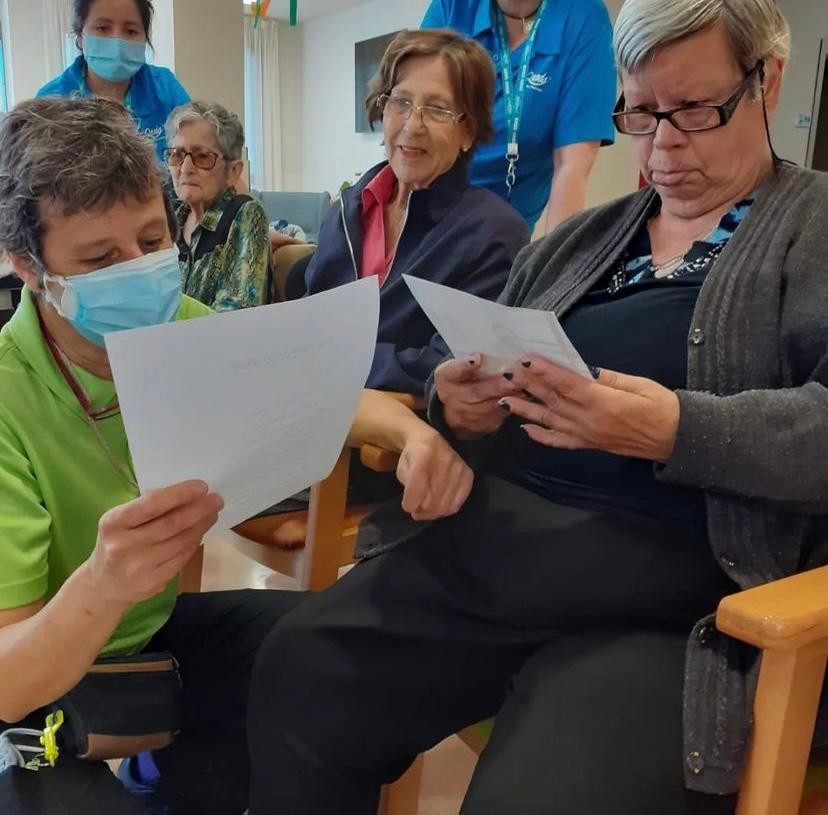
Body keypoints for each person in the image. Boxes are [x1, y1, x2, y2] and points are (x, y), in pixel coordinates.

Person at [245, 1, 828, 814]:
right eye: (639, 113)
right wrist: (463, 411)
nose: (662, 146)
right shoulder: (574, 242)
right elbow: (477, 385)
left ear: (767, 81)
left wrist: (676, 429)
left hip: (673, 603)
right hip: (497, 551)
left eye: (695, 110)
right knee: (300, 668)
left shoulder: (813, 230)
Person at [0, 97, 301, 814]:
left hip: (146, 635)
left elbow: (317, 387)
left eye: (151, 239)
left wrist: (413, 434)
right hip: (35, 674)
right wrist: (105, 581)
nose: (140, 272)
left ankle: (178, 779)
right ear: (28, 268)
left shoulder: (180, 328)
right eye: (100, 259)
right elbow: (11, 680)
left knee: (315, 645)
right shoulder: (9, 391)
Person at [303, 28, 529, 395]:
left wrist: (331, 361)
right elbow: (309, 321)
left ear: (468, 131)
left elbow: (450, 366)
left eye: (437, 109)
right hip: (308, 404)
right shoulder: (347, 208)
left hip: (398, 424)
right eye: (401, 102)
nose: (413, 125)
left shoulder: (493, 233)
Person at [422, 0, 617, 235]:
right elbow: (414, 118)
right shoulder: (452, 6)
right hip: (428, 212)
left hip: (500, 234)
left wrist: (553, 257)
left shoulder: (582, 18)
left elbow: (572, 167)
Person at [36, 0, 190, 162]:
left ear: (145, 38)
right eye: (102, 28)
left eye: (131, 31)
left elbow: (196, 149)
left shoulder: (165, 87)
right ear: (80, 36)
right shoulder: (50, 101)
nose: (117, 40)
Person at [167, 101, 271, 311]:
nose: (185, 168)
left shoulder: (245, 214)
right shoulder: (171, 217)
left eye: (202, 157)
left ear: (233, 171)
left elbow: (238, 311)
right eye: (177, 155)